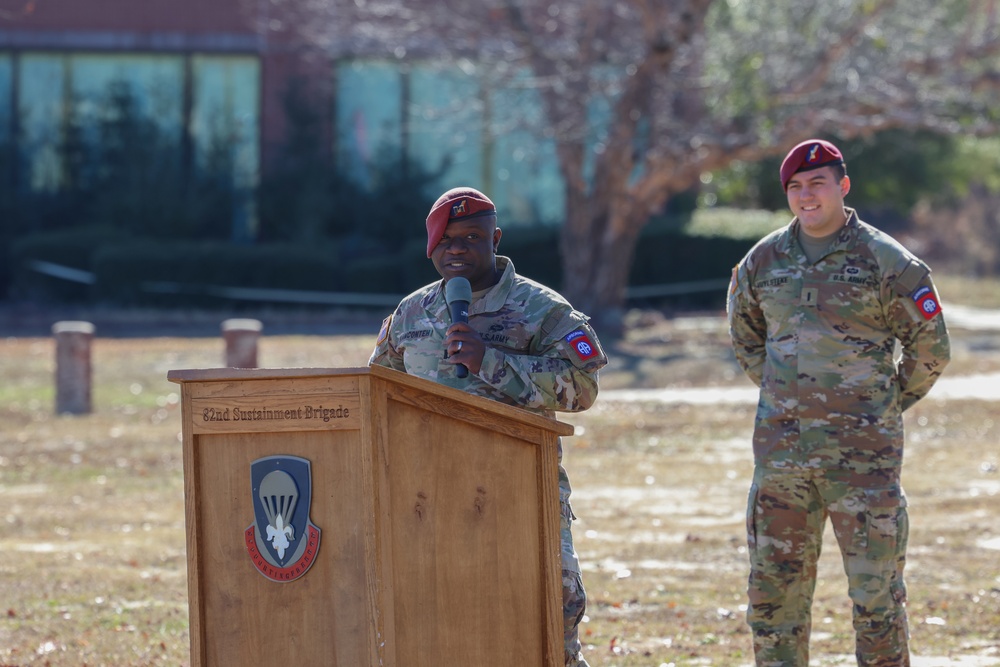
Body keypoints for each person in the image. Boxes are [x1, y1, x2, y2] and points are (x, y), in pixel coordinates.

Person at [727, 139, 951, 666]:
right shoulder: (763, 261)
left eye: (818, 183)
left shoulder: (888, 261)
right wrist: (788, 398)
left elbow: (931, 349)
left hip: (864, 463)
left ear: (843, 186)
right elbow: (746, 337)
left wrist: (881, 404)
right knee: (773, 600)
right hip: (781, 462)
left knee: (876, 601)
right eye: (796, 188)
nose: (807, 196)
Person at [369, 186, 607, 667]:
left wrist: (490, 362)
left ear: (495, 239)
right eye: (447, 239)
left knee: (549, 611)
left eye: (472, 237)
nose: (458, 248)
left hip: (522, 487)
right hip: (426, 493)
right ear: (431, 246)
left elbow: (582, 387)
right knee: (437, 620)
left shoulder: (543, 309)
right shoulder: (410, 314)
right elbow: (376, 393)